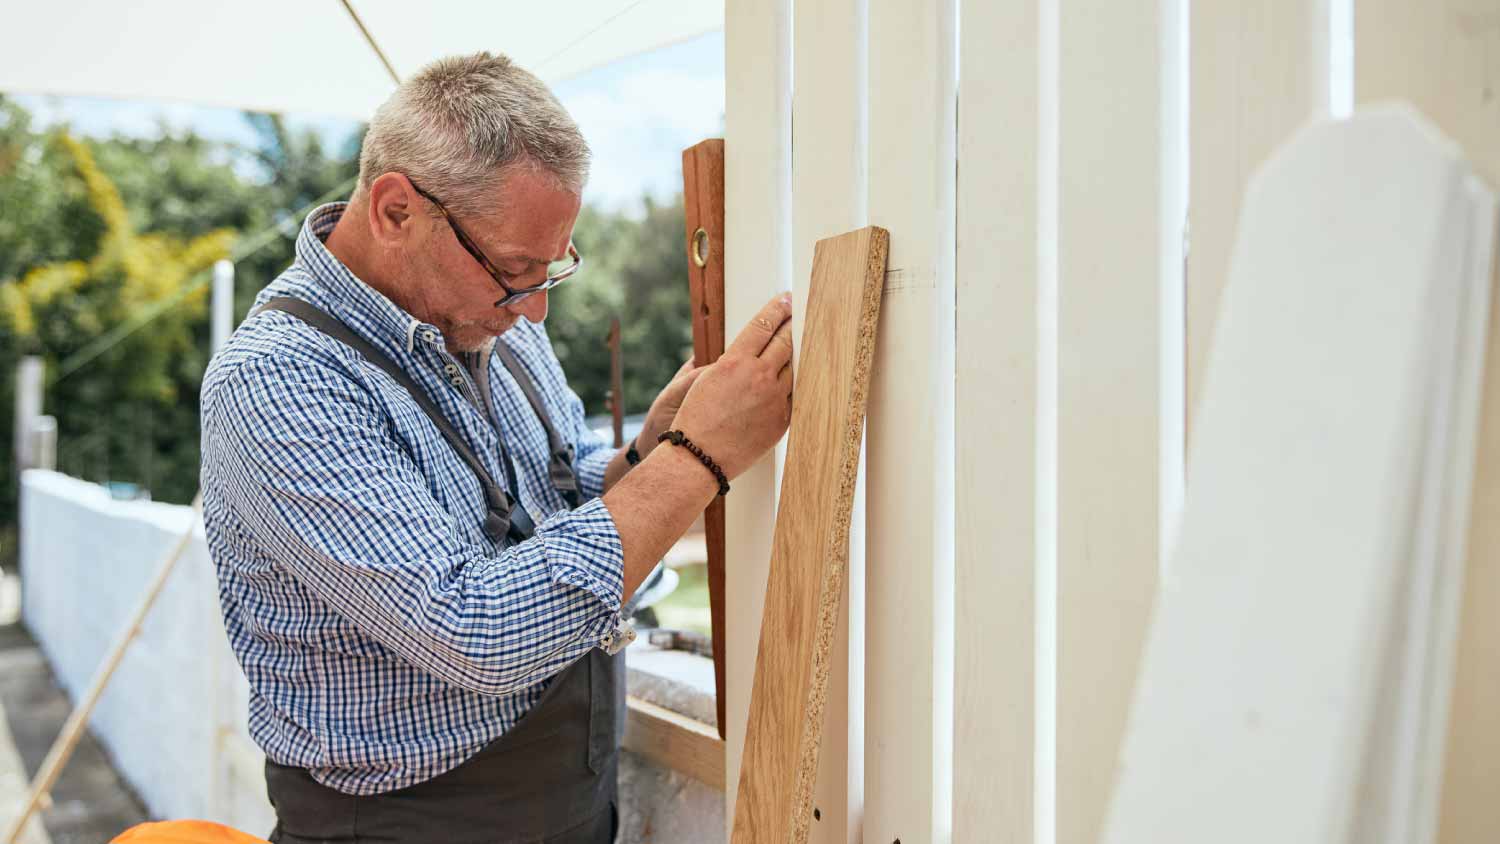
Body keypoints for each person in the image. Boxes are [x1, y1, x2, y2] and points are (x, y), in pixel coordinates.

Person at [199, 52, 792, 843]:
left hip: (568, 807)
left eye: (553, 270)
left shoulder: (487, 315)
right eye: (516, 270)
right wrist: (696, 459)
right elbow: (472, 629)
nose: (537, 310)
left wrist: (645, 453)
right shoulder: (277, 378)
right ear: (395, 211)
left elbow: (557, 495)